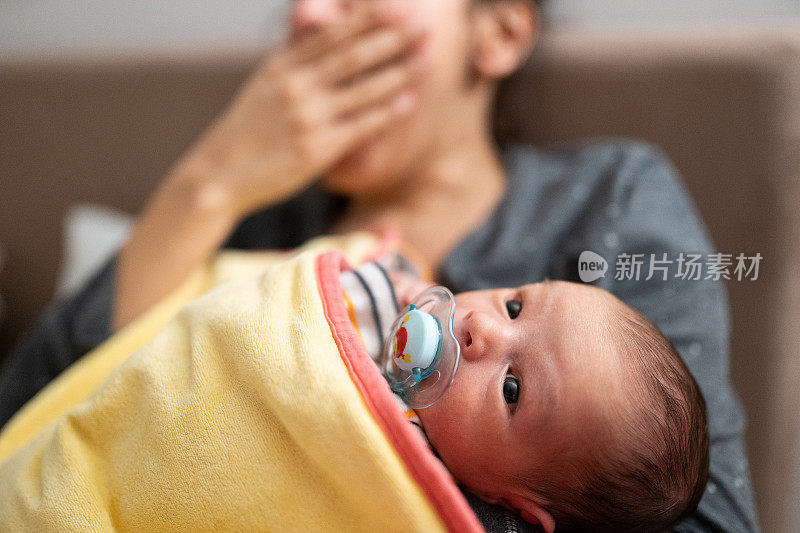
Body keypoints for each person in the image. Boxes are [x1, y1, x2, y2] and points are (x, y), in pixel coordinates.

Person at [0, 0, 758, 531]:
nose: (308, 16)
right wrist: (212, 182)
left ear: (497, 30)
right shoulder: (263, 220)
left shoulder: (606, 200)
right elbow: (33, 424)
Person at [346, 259, 709, 533]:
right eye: (514, 308)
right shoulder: (415, 294)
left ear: (512, 503)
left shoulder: (408, 486)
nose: (481, 325)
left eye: (511, 389)